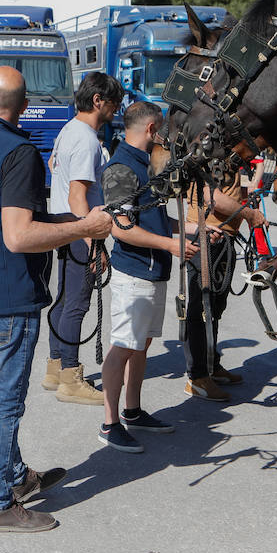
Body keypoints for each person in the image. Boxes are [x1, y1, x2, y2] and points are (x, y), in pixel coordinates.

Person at [0, 65, 113, 533]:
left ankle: (15, 477)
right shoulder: (19, 152)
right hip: (8, 297)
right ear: (23, 107)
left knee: (0, 394)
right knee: (6, 401)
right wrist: (85, 227)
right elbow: (18, 236)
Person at [97, 102, 200, 451]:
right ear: (153, 130)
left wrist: (191, 229)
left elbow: (150, 220)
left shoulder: (145, 165)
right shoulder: (122, 169)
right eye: (166, 134)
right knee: (124, 345)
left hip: (153, 271)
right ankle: (110, 424)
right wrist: (171, 245)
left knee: (141, 344)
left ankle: (133, 411)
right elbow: (123, 229)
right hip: (135, 273)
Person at [43, 71, 124, 406]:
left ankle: (56, 368)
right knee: (76, 302)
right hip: (79, 228)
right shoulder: (87, 139)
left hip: (64, 225)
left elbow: (53, 167)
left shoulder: (68, 131)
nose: (116, 110)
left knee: (63, 299)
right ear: (98, 101)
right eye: (114, 104)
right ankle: (71, 379)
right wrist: (93, 245)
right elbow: (79, 197)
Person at [180, 167, 267, 402]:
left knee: (216, 307)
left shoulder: (227, 154)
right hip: (205, 235)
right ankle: (197, 377)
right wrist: (248, 213)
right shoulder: (209, 153)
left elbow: (228, 192)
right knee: (201, 309)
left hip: (222, 236)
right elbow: (211, 197)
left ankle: (211, 365)